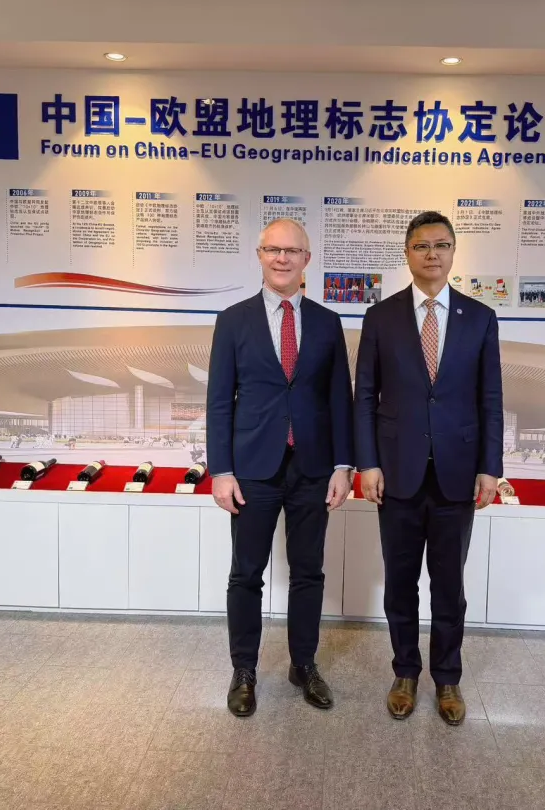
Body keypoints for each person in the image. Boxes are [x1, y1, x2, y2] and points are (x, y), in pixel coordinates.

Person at [355, 211, 503, 725]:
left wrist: (490, 467)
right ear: (407, 253)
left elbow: (490, 398)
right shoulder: (381, 317)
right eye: (421, 246)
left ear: (454, 252)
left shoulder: (480, 318)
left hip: (458, 475)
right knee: (400, 583)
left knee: (448, 586)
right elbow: (364, 396)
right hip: (396, 472)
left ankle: (447, 678)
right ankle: (405, 671)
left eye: (441, 245)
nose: (432, 254)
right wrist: (367, 463)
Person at [207, 218, 354, 718]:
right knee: (246, 573)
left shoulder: (327, 322)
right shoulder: (233, 320)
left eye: (292, 251)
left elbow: (339, 399)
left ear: (307, 259)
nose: (283, 258)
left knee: (308, 572)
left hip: (313, 467)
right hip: (252, 468)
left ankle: (303, 664)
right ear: (260, 255)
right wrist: (221, 470)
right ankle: (244, 670)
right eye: (274, 249)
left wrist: (343, 465)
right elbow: (219, 402)